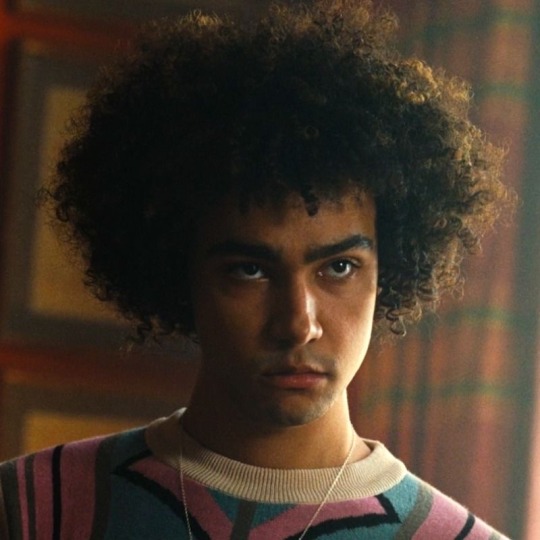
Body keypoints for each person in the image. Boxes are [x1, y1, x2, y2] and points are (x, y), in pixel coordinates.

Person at [0, 0, 513, 538]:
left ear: (390, 270)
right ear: (179, 272)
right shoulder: (33, 509)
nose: (298, 323)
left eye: (339, 267)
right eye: (250, 270)